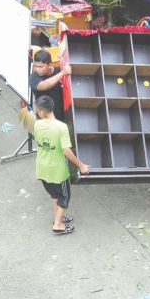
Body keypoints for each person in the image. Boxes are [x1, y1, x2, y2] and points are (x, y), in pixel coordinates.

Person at [33, 95, 90, 234]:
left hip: (42, 168)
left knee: (54, 195)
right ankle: (58, 225)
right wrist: (81, 165)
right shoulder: (61, 127)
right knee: (64, 197)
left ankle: (59, 217)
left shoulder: (37, 124)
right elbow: (66, 151)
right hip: (57, 171)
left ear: (41, 111)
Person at [29, 49, 70, 121]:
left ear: (50, 65)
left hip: (61, 113)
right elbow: (44, 85)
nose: (38, 69)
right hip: (45, 117)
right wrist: (62, 73)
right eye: (36, 66)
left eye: (41, 67)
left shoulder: (59, 70)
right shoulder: (33, 78)